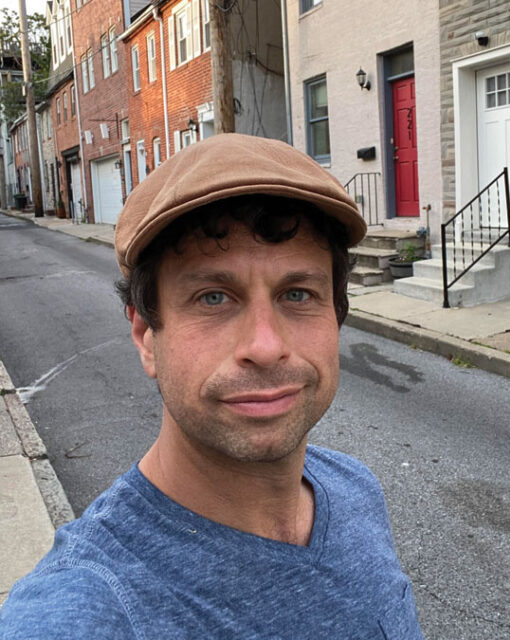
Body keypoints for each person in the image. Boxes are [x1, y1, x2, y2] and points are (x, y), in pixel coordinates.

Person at [0, 134, 423, 639]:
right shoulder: (91, 608)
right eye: (213, 298)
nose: (265, 346)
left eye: (297, 294)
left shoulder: (355, 488)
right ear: (146, 336)